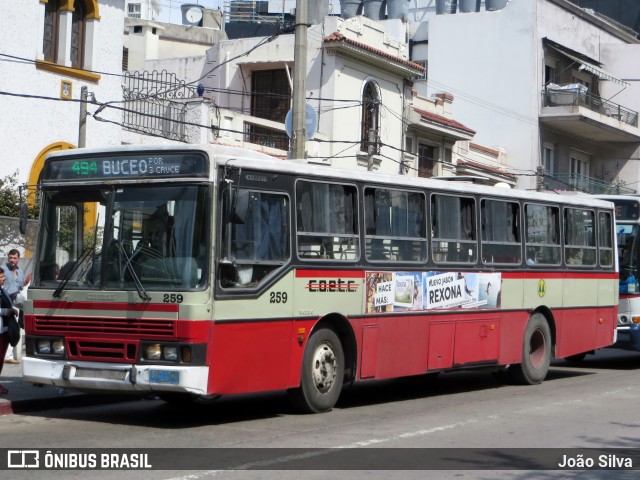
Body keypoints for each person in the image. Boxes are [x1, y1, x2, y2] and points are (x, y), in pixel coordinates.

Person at [3, 249, 31, 364]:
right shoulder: (3, 269)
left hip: (16, 303)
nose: (12, 260)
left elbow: (20, 287)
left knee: (13, 328)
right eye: (10, 257)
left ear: (18, 259)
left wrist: (25, 283)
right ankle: (7, 355)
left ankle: (9, 355)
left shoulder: (20, 272)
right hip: (5, 302)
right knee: (5, 329)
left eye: (14, 258)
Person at [0, 266, 20, 394]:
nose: (3, 279)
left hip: (5, 330)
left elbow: (9, 304)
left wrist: (13, 310)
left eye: (3, 277)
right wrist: (3, 311)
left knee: (1, 358)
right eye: (1, 277)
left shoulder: (3, 291)